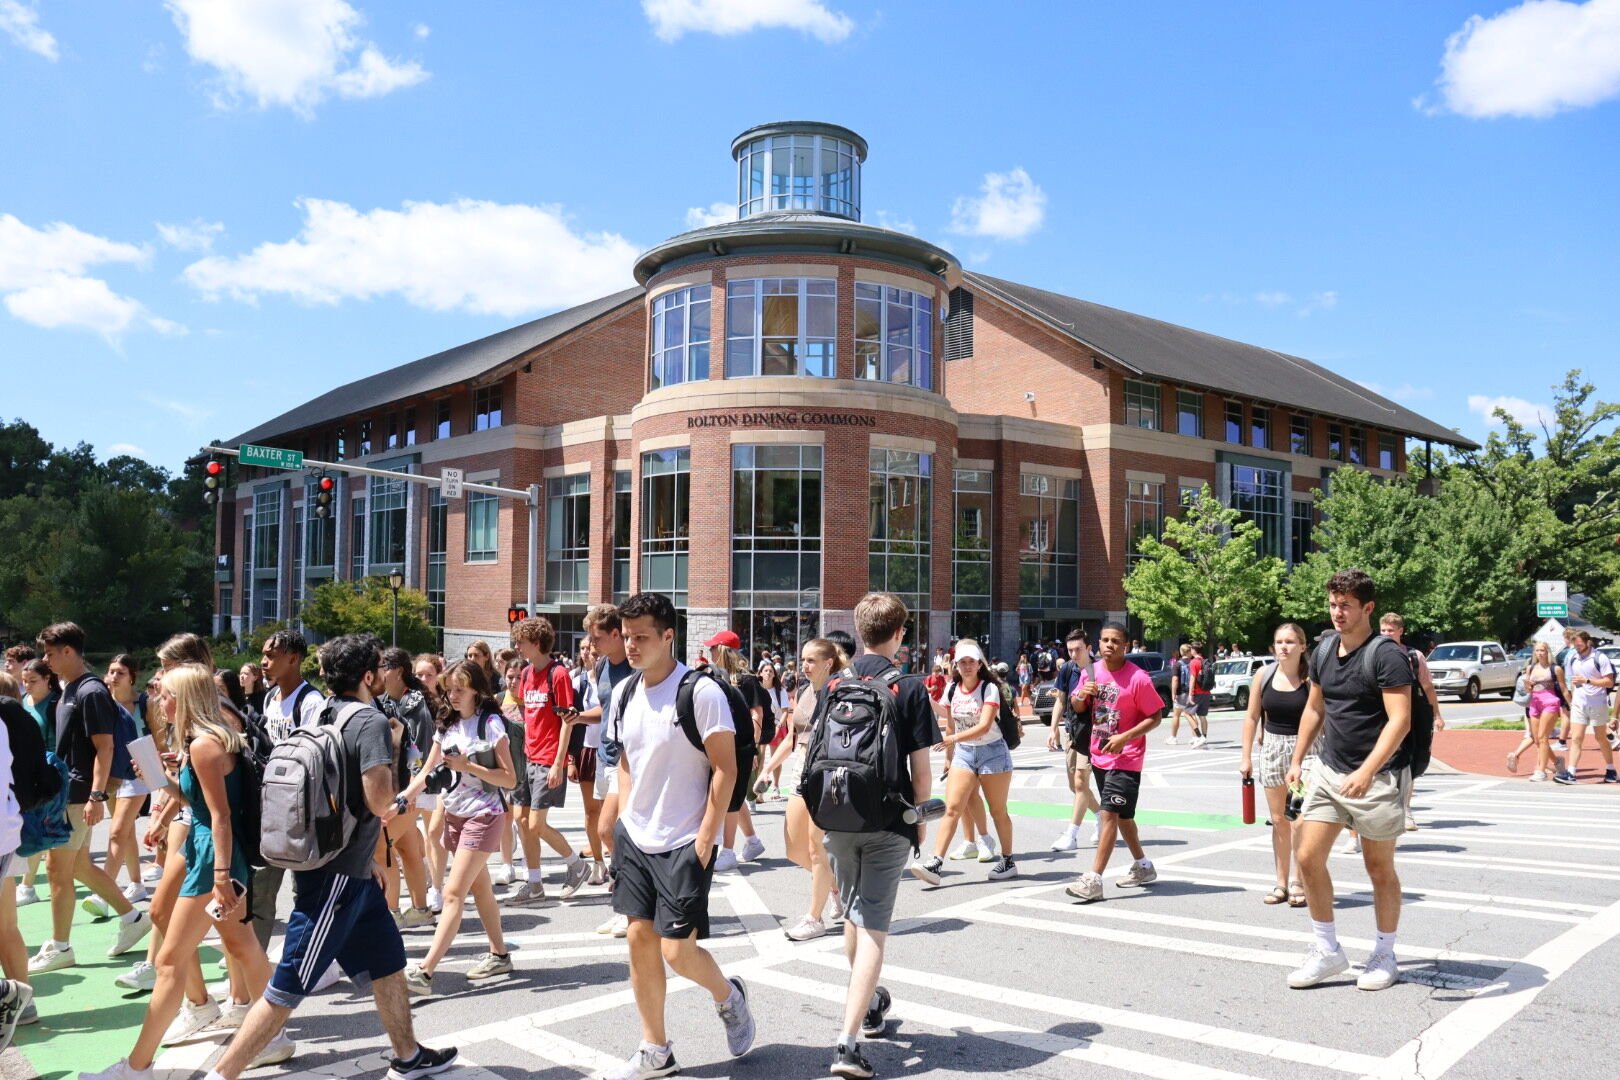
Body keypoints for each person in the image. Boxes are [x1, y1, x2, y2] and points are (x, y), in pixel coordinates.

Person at [205, 634, 457, 1080]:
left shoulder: (321, 710)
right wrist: (402, 793)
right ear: (366, 675)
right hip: (336, 881)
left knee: (388, 964)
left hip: (348, 868)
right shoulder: (371, 721)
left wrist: (371, 860)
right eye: (378, 668)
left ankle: (408, 1054)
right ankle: (221, 1074)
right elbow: (379, 802)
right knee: (287, 988)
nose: (382, 675)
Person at [81, 663, 280, 1080]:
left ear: (185, 698)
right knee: (243, 948)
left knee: (170, 962)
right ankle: (273, 1035)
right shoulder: (208, 741)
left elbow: (220, 816)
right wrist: (162, 779)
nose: (159, 700)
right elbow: (201, 805)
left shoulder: (205, 745)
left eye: (166, 694)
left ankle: (137, 1068)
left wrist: (222, 876)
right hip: (215, 857)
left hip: (212, 860)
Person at [601, 592, 755, 1080]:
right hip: (637, 837)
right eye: (626, 637)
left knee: (676, 949)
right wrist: (624, 816)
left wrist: (707, 836)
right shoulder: (624, 693)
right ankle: (655, 1049)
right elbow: (625, 758)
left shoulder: (700, 692)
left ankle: (728, 997)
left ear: (669, 636)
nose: (631, 645)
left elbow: (726, 769)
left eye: (641, 636)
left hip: (686, 838)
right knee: (638, 940)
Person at [819, 593, 938, 1079]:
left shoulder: (834, 683)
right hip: (889, 819)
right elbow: (922, 770)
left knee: (853, 913)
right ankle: (847, 1044)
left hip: (838, 815)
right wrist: (921, 819)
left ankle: (867, 1005)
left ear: (859, 629)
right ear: (900, 633)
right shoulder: (908, 687)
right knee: (872, 926)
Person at [1285, 569, 1413, 992]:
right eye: (1333, 604)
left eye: (1346, 605)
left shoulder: (1386, 655)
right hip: (1328, 770)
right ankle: (1327, 949)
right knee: (1306, 858)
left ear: (1367, 608)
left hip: (1376, 776)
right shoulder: (1322, 651)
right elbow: (1315, 710)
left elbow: (1400, 721)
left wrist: (1368, 770)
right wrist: (1299, 758)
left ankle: (1384, 953)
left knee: (1378, 868)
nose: (1337, 612)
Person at [28, 623, 152, 975]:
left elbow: (105, 747)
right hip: (73, 789)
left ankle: (60, 946)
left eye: (50, 653)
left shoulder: (90, 691)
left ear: (68, 651)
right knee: (78, 866)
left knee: (57, 869)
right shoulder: (72, 689)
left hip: (79, 792)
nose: (45, 660)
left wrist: (98, 795)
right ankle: (132, 917)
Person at [396, 661, 517, 995]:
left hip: (485, 815)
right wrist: (403, 800)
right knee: (481, 890)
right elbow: (425, 770)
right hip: (454, 815)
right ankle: (500, 954)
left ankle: (425, 972)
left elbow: (509, 778)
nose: (452, 696)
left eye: (459, 690)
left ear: (476, 690)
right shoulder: (446, 724)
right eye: (449, 690)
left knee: (452, 893)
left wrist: (469, 766)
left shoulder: (490, 724)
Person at [1064, 622, 1165, 903]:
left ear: (1127, 646)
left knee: (1108, 814)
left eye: (1115, 641)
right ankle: (1143, 866)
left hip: (1127, 758)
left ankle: (1093, 880)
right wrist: (1081, 696)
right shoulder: (1092, 672)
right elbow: (1078, 706)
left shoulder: (1138, 678)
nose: (1109, 645)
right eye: (1105, 640)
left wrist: (1125, 737)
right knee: (1124, 817)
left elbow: (1155, 716)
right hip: (1099, 754)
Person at [910, 639, 1016, 886]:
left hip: (993, 752)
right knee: (952, 807)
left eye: (971, 662)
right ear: (956, 665)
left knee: (998, 810)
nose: (967, 667)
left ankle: (1008, 860)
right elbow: (947, 719)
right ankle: (935, 863)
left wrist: (952, 739)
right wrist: (950, 755)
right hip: (965, 753)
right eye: (962, 662)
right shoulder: (952, 688)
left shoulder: (989, 689)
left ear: (980, 664)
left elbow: (985, 726)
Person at [250, 628, 326, 954]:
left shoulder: (311, 703)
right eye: (264, 655)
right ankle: (252, 964)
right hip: (270, 808)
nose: (263, 662)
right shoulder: (269, 699)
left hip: (300, 810)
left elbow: (316, 759)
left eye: (271, 656)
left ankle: (309, 958)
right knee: (261, 890)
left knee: (304, 890)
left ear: (293, 659)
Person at [509, 617, 589, 905]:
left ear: (536, 642)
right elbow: (527, 714)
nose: (517, 646)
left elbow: (568, 721)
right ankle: (534, 883)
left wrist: (560, 762)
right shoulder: (528, 673)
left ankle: (576, 865)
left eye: (521, 641)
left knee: (536, 825)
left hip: (548, 757)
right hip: (528, 756)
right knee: (520, 820)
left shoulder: (559, 675)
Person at [1239, 624, 1316, 908]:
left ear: (1302, 646)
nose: (1284, 647)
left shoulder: (1311, 678)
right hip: (1272, 748)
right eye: (1279, 642)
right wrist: (1245, 757)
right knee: (1279, 820)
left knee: (1298, 818)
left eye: (1290, 642)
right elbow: (1251, 717)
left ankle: (1299, 881)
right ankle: (1280, 882)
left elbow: (1323, 715)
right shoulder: (1264, 674)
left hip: (1306, 751)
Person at [779, 638, 845, 942]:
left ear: (828, 663)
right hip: (801, 767)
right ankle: (835, 886)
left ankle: (814, 917)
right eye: (802, 660)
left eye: (811, 661)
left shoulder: (841, 690)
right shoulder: (805, 692)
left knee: (817, 847)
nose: (803, 666)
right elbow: (795, 736)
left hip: (827, 770)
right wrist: (769, 768)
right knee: (794, 848)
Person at [585, 604, 634, 938]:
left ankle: (629, 905)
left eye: (598, 637)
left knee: (610, 832)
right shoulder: (602, 665)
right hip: (606, 755)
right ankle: (627, 902)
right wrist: (578, 716)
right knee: (611, 834)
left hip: (628, 760)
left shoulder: (636, 667)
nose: (592, 644)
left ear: (617, 634)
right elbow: (607, 708)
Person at [376, 648, 433, 925]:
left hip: (412, 788)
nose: (379, 673)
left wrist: (410, 791)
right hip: (398, 788)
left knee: (383, 847)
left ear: (398, 671)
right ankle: (421, 910)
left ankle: (392, 913)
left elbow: (421, 751)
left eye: (383, 667)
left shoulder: (416, 703)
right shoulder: (384, 700)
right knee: (408, 849)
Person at [702, 631, 767, 872]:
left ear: (724, 650)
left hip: (741, 746)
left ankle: (728, 851)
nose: (710, 653)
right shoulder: (718, 678)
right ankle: (752, 841)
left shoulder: (746, 680)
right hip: (725, 743)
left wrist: (753, 751)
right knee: (734, 794)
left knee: (730, 796)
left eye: (713, 649)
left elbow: (756, 714)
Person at [1378, 613, 1444, 828]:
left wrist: (1436, 714)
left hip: (1410, 715)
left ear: (1400, 632)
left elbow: (1427, 687)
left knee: (1409, 761)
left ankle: (1406, 810)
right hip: (1380, 716)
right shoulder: (1373, 653)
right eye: (1384, 630)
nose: (1387, 634)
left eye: (1391, 630)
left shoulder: (1414, 657)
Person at [0, 674, 34, 1035]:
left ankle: (10, 994)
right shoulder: (10, 719)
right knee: (6, 925)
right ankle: (19, 1000)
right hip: (9, 830)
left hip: (6, 830)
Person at [1048, 629, 1102, 852]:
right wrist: (1053, 729)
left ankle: (1071, 834)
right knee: (1075, 786)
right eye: (1070, 650)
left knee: (1081, 783)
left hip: (1092, 733)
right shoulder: (1068, 669)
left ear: (1089, 648)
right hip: (1072, 731)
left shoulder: (1099, 670)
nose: (1073, 654)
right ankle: (1101, 817)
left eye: (1078, 649)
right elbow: (1061, 700)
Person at [14, 659, 58, 906]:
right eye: (24, 681)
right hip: (30, 772)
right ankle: (27, 885)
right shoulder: (23, 703)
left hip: (51, 773)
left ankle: (27, 886)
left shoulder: (55, 704)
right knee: (33, 828)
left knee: (41, 829)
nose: (28, 686)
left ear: (47, 679)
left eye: (33, 681)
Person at [567, 641, 608, 884]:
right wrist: (571, 759)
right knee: (592, 811)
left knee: (611, 812)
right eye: (589, 652)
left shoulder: (615, 681)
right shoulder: (578, 682)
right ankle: (598, 863)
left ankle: (616, 863)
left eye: (597, 652)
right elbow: (570, 724)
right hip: (586, 749)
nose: (593, 656)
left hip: (610, 750)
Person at [1556, 631, 1617, 784]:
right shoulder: (1573, 658)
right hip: (1579, 703)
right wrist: (1571, 700)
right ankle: (1571, 773)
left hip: (1597, 703)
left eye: (1580, 644)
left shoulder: (1599, 658)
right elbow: (1571, 682)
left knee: (1600, 738)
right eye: (1575, 645)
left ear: (1588, 642)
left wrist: (1588, 680)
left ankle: (1611, 769)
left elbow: (1609, 682)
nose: (1577, 647)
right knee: (1576, 738)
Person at [1515, 642, 1563, 781]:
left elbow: (1563, 688)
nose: (1540, 653)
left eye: (1542, 650)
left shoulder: (1555, 669)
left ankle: (1541, 771)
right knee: (1537, 739)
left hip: (1550, 702)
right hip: (1534, 703)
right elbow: (1529, 689)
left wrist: (1569, 706)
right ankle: (1557, 762)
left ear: (1548, 651)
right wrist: (1528, 685)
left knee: (1543, 737)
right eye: (1537, 651)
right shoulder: (1531, 668)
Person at [1166, 643, 1193, 745]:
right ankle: (1195, 736)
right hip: (1191, 692)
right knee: (1191, 714)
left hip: (1181, 692)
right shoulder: (1193, 663)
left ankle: (1173, 737)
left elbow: (1175, 679)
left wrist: (1173, 693)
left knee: (1176, 715)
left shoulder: (1178, 664)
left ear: (1181, 652)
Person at [1186, 643, 1211, 747]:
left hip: (1197, 692)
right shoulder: (1205, 661)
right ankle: (1204, 737)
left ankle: (1199, 736)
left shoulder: (1194, 662)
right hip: (1206, 692)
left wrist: (1190, 693)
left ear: (1194, 650)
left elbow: (1192, 678)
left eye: (1191, 649)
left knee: (1186, 713)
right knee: (1202, 716)